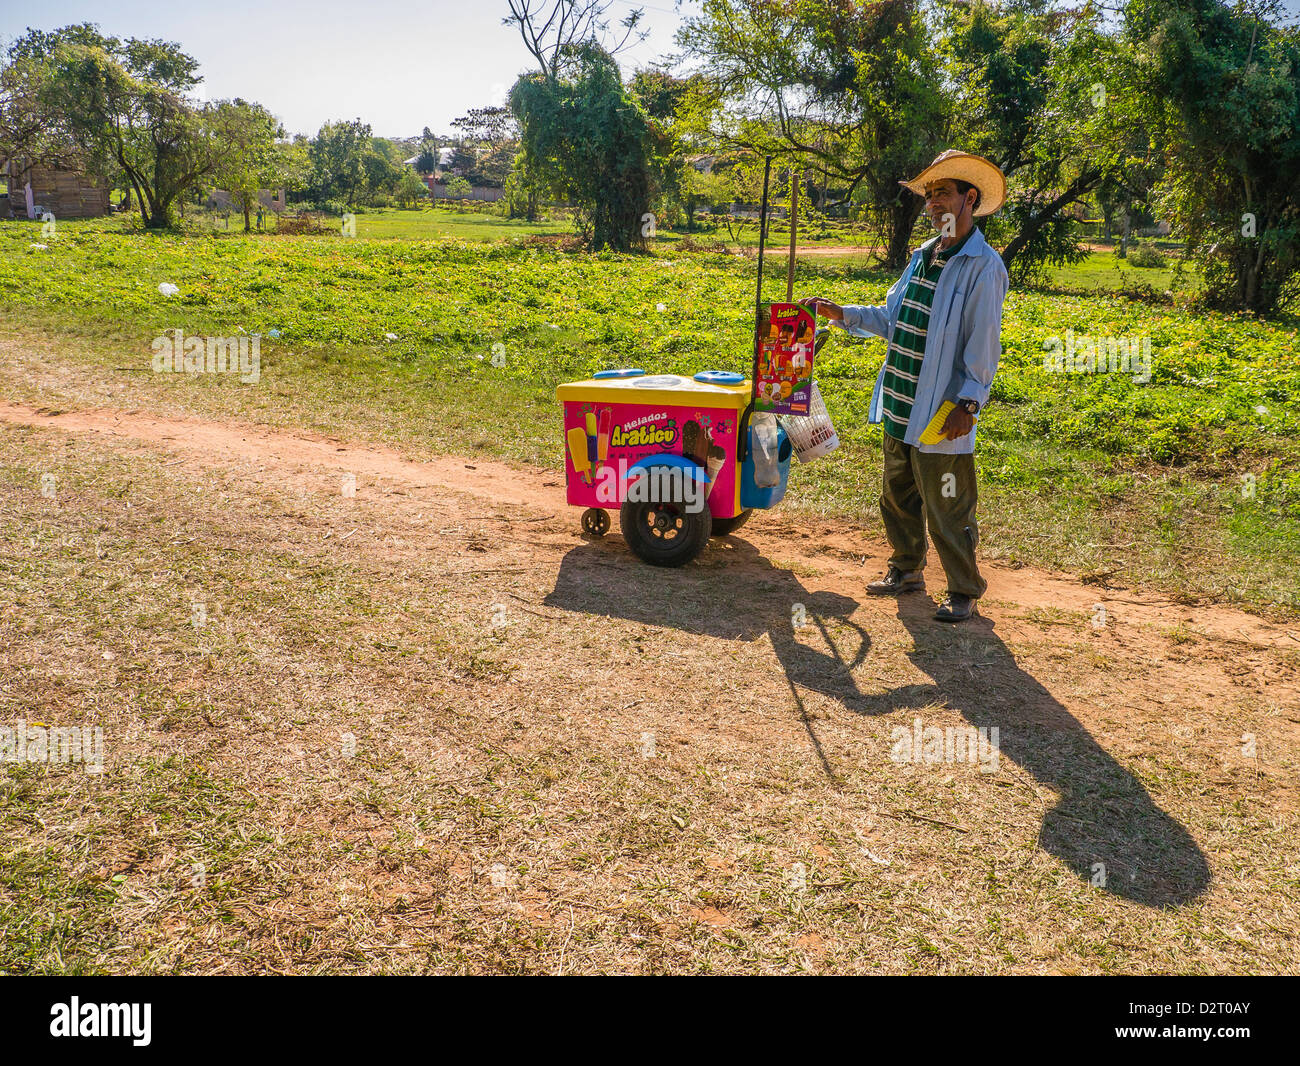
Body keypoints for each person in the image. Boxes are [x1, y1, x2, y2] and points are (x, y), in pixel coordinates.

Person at [799, 150, 1008, 623]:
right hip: (900, 400)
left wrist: (968, 404)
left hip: (941, 409)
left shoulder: (982, 266)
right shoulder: (922, 257)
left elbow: (984, 345)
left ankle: (963, 589)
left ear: (969, 199)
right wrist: (844, 314)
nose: (934, 203)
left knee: (948, 502)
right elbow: (893, 319)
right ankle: (906, 569)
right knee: (898, 494)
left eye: (944, 193)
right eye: (929, 194)